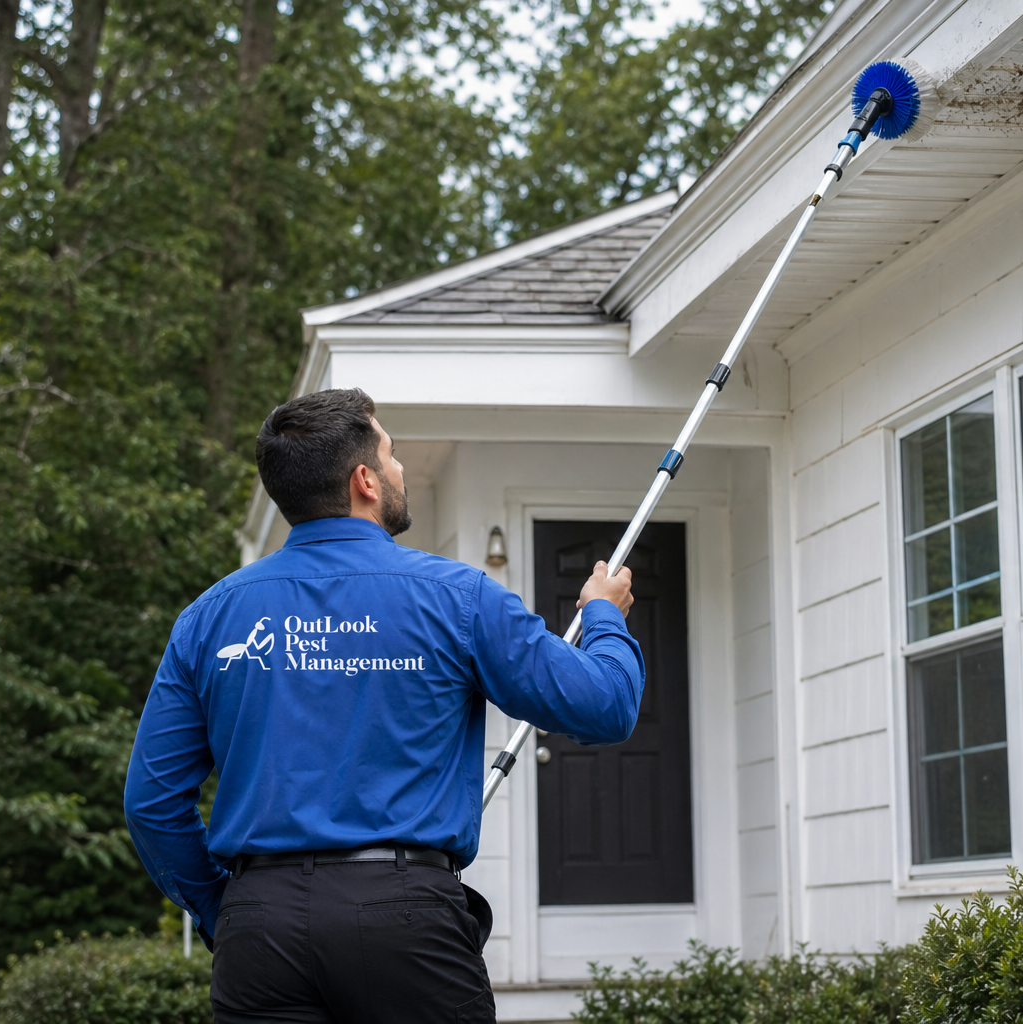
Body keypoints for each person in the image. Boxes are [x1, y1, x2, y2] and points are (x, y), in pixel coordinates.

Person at [123, 388, 644, 1024]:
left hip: (260, 930)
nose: (400, 470)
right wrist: (601, 616)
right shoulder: (458, 598)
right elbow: (605, 705)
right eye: (392, 455)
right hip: (406, 923)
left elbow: (151, 802)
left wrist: (223, 908)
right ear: (364, 480)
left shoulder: (209, 617)